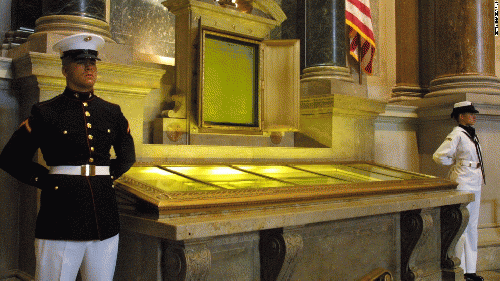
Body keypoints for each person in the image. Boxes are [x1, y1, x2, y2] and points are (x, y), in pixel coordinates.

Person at [0, 33, 136, 280]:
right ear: (64, 69)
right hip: (60, 218)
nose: (89, 67)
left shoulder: (111, 112)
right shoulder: (45, 112)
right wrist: (50, 182)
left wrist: (105, 177)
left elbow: (127, 156)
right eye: (80, 62)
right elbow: (10, 158)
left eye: (93, 62)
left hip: (104, 220)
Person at [433, 101, 485, 281]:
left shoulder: (471, 134)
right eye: (470, 113)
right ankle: (459, 269)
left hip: (475, 181)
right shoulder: (457, 134)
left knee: (472, 226)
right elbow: (439, 156)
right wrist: (457, 165)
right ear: (461, 116)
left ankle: (471, 270)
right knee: (462, 226)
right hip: (463, 182)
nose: (474, 116)